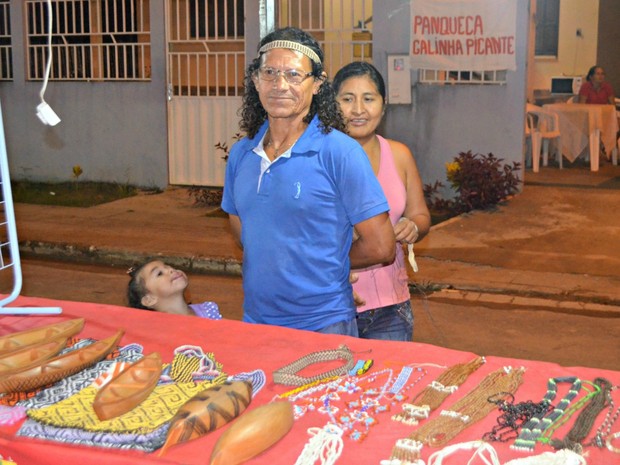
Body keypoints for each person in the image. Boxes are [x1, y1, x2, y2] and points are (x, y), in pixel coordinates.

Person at [221, 27, 395, 336]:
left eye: (293, 75)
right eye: (270, 73)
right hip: (256, 322)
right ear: (256, 81)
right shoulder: (241, 154)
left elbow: (381, 247)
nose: (280, 85)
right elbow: (243, 235)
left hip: (324, 324)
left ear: (316, 84)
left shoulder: (340, 153)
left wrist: (326, 267)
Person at [332, 62, 431, 341]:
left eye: (369, 98)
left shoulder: (399, 155)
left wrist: (413, 226)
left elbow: (421, 215)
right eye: (347, 99)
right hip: (333, 305)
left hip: (391, 310)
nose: (358, 110)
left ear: (383, 106)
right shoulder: (321, 160)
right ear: (332, 104)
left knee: (388, 384)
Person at [127, 259, 222, 319]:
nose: (171, 270)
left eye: (169, 267)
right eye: (159, 273)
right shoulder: (156, 331)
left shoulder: (208, 311)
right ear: (149, 299)